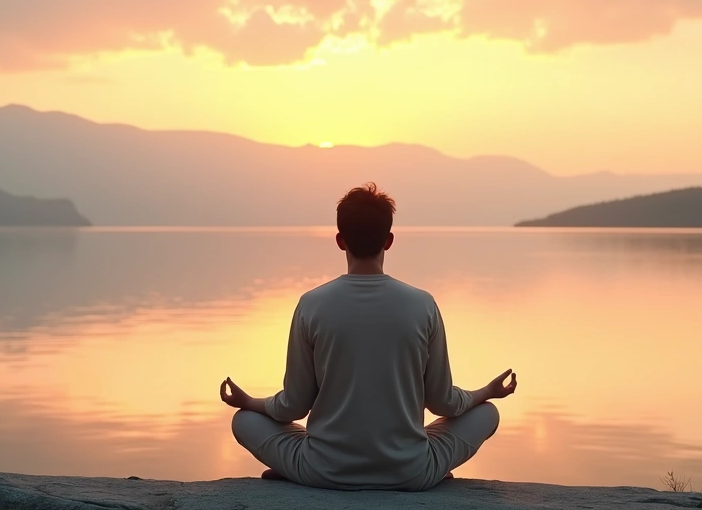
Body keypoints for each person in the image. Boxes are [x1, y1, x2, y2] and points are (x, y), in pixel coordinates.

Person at [219, 182, 516, 491]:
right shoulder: (422, 304)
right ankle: (429, 466)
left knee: (243, 420)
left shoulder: (312, 304)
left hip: (324, 471)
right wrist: (487, 392)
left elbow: (293, 407)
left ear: (339, 240)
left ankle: (293, 469)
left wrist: (249, 402)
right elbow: (443, 403)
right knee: (487, 414)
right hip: (411, 472)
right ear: (388, 241)